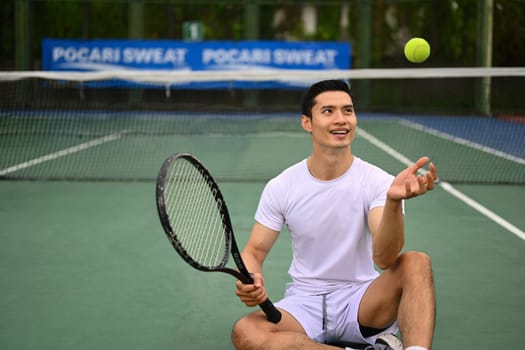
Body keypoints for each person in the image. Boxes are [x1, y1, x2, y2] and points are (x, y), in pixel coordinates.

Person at [231, 80, 437, 350]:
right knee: (246, 332)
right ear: (307, 122)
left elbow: (386, 259)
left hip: (362, 301)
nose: (341, 119)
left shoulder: (377, 182)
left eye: (348, 110)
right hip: (304, 304)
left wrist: (392, 203)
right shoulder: (282, 186)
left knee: (416, 262)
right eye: (328, 111)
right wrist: (251, 277)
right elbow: (254, 252)